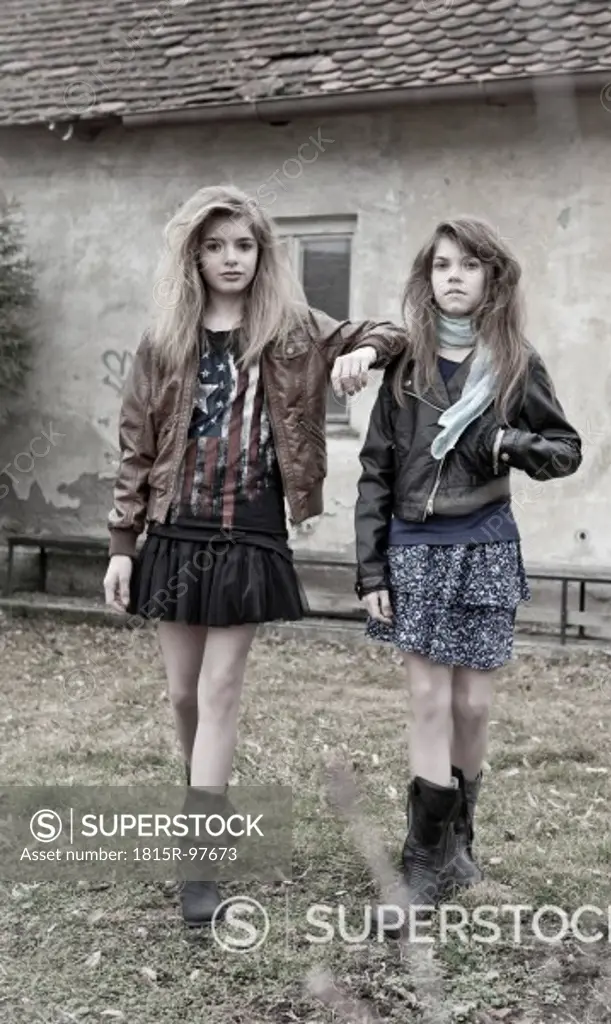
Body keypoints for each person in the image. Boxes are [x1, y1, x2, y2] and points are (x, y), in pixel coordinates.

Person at [102, 184, 406, 927]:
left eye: (243, 244)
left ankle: (198, 857)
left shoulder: (295, 328)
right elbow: (137, 447)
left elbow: (394, 333)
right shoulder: (164, 338)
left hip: (251, 530)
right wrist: (121, 544)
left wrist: (362, 351)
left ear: (261, 252)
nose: (231, 258)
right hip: (176, 529)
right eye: (215, 246)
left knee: (220, 693)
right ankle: (207, 795)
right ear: (194, 255)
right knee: (182, 696)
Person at [354, 216, 582, 934]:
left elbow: (565, 448)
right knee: (428, 698)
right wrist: (370, 570)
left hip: (485, 544)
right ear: (427, 278)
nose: (453, 276)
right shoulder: (405, 367)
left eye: (469, 265)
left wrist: (510, 441)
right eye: (441, 264)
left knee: (473, 707)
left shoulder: (516, 364)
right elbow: (375, 474)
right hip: (414, 548)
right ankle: (421, 860)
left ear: (493, 279)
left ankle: (460, 841)